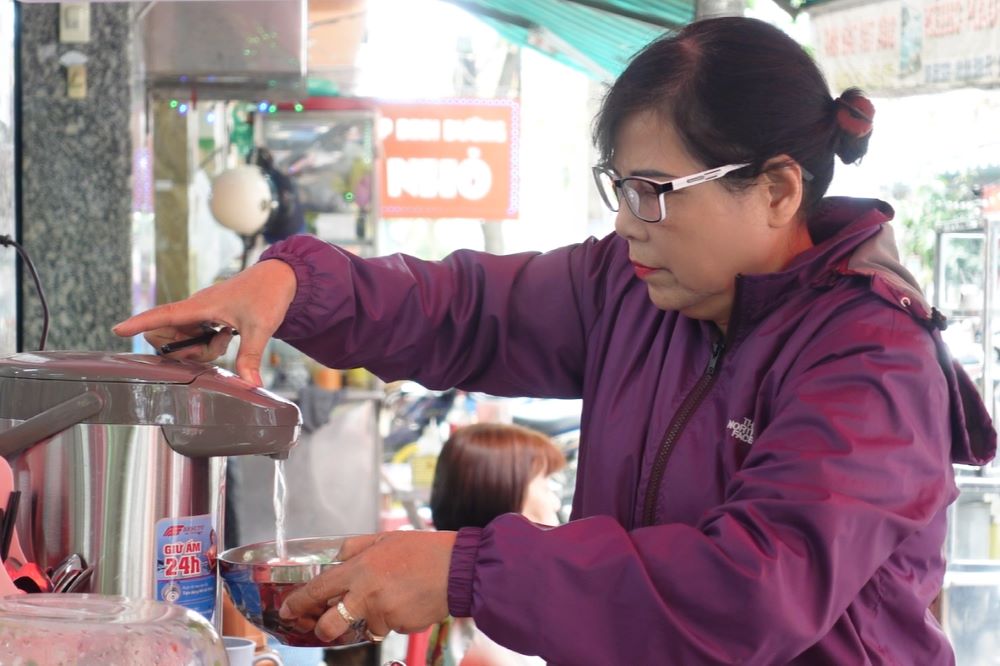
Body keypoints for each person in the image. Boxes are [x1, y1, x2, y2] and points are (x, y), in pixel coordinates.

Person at [114, 16, 996, 665]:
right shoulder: (635, 285)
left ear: (774, 189)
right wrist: (296, 283)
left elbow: (751, 588)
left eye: (655, 190)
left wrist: (468, 572)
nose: (628, 222)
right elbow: (460, 307)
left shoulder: (871, 361)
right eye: (619, 186)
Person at [427, 422, 566, 665]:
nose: (555, 502)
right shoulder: (497, 639)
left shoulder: (471, 609)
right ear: (501, 493)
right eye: (545, 485)